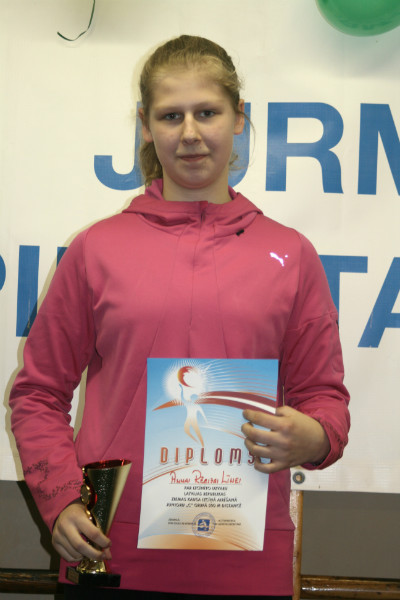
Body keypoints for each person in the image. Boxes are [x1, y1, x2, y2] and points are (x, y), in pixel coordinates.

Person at [9, 35, 350, 599]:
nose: (190, 132)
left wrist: (312, 437)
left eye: (207, 112)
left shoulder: (290, 253)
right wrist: (62, 499)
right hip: (107, 550)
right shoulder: (97, 249)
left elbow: (324, 398)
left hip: (245, 561)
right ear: (146, 125)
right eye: (171, 116)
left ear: (239, 118)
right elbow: (37, 393)